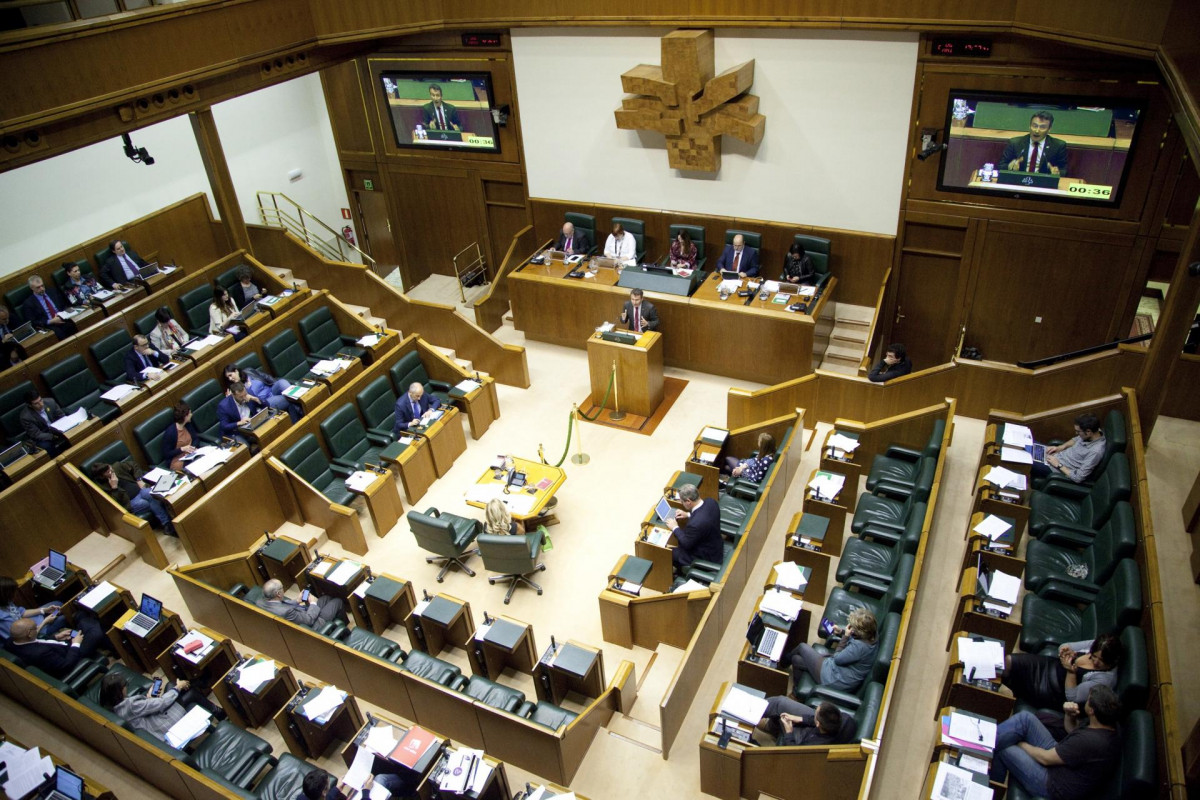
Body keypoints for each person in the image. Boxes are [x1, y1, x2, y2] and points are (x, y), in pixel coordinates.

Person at [989, 684, 1122, 800]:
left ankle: (988, 791)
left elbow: (1045, 759)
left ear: (1092, 710)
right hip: (1061, 762)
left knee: (1006, 749)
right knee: (1025, 718)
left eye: (1088, 700)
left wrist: (1021, 744)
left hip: (1052, 785)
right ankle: (980, 746)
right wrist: (1069, 715)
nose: (1086, 701)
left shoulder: (1091, 741)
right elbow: (1072, 731)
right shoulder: (1104, 723)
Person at [1003, 634, 1120, 714]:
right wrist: (1065, 651)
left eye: (1101, 661)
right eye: (1093, 656)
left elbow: (1073, 697)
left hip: (1053, 691)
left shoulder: (1105, 679)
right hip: (1049, 666)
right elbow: (1065, 646)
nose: (1095, 661)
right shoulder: (1096, 645)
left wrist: (1071, 672)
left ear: (1111, 662)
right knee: (1008, 661)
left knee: (1015, 681)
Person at [100, 674, 224, 740]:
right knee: (186, 692)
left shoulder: (111, 706)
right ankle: (218, 712)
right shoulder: (130, 706)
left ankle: (198, 684)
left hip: (149, 720)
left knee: (171, 685)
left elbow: (139, 711)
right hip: (160, 726)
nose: (126, 687)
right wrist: (178, 687)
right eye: (124, 686)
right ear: (119, 691)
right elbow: (161, 703)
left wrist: (148, 700)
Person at [787, 608, 878, 692]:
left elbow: (837, 658)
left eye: (853, 628)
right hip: (841, 671)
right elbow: (855, 639)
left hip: (836, 679)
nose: (851, 628)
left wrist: (845, 637)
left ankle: (782, 660)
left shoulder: (859, 647)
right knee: (796, 659)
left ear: (860, 632)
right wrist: (841, 632)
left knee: (802, 647)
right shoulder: (871, 635)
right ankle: (796, 693)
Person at [89, 460, 175, 536]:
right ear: (101, 476)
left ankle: (167, 524)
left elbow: (134, 465)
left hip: (140, 490)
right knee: (146, 503)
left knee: (151, 494)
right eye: (108, 472)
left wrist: (139, 479)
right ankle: (168, 523)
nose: (111, 471)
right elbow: (115, 503)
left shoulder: (117, 467)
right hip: (130, 502)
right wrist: (114, 488)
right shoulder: (101, 487)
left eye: (110, 468)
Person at [6, 614, 106, 679]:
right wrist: (76, 644)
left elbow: (38, 642)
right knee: (96, 632)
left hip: (59, 647)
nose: (38, 627)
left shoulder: (12, 641)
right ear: (29, 634)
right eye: (35, 627)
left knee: (82, 619)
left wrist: (55, 637)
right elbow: (66, 665)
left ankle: (85, 619)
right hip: (73, 655)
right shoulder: (40, 654)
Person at [1033, 413, 1106, 483]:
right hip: (1055, 456)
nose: (1076, 434)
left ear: (1088, 432)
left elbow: (1078, 478)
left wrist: (1058, 465)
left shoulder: (1095, 452)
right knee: (1027, 443)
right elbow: (1075, 439)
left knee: (1024, 458)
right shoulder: (1095, 432)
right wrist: (1060, 447)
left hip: (1054, 468)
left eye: (1078, 432)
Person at [664, 483, 722, 569]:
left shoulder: (695, 524)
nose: (681, 502)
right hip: (716, 547)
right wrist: (688, 514)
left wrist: (675, 527)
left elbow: (686, 544)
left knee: (667, 553)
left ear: (688, 501)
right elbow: (704, 513)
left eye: (682, 501)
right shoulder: (711, 501)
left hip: (706, 557)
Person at [755, 698, 854, 747]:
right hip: (818, 731)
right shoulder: (847, 719)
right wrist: (799, 718)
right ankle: (772, 726)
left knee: (783, 714)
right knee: (781, 704)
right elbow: (815, 720)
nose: (815, 710)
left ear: (818, 724)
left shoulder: (814, 746)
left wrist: (789, 732)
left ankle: (753, 714)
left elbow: (794, 754)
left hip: (799, 744)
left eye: (816, 712)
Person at [222, 364, 302, 421]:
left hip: (271, 390)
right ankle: (301, 410)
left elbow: (266, 377)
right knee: (285, 398)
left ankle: (302, 399)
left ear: (236, 371)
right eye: (227, 377)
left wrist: (275, 385)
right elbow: (246, 403)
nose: (229, 379)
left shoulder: (249, 371)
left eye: (230, 375)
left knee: (282, 382)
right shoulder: (235, 388)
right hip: (265, 401)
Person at [1000, 111, 1069, 176]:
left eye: (1042, 127)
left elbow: (1063, 170)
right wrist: (1009, 167)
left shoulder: (1058, 146)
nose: (1037, 131)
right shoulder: (1015, 143)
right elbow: (1001, 166)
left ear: (1049, 129)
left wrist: (1056, 172)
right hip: (1019, 180)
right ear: (1029, 126)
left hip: (1043, 182)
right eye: (1034, 126)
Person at [255, 579, 347, 628]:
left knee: (326, 598)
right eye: (282, 588)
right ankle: (344, 629)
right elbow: (308, 620)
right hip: (314, 623)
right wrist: (313, 604)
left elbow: (279, 604)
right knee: (337, 602)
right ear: (278, 594)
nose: (283, 589)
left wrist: (297, 601)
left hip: (302, 614)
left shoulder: (260, 602)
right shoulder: (287, 612)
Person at [0, 575, 65, 642]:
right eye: (13, 592)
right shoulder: (4, 620)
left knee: (58, 603)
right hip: (33, 633)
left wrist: (44, 610)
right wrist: (45, 622)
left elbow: (22, 613)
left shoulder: (6, 601)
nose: (15, 594)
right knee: (64, 617)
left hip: (28, 622)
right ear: (6, 594)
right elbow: (25, 639)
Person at [298, 767, 410, 800]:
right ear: (323, 792)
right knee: (380, 780)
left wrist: (337, 788)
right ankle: (410, 785)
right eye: (328, 784)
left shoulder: (302, 798)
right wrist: (366, 790)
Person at [21, 275, 77, 340]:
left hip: (63, 319)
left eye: (42, 285)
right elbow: (33, 322)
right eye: (38, 287)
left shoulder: (53, 291)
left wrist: (62, 314)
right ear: (32, 288)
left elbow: (64, 305)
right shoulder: (29, 303)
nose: (42, 289)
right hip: (49, 326)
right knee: (59, 334)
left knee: (75, 326)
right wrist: (50, 321)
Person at [19, 390, 70, 455]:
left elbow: (61, 416)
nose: (41, 404)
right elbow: (36, 434)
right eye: (36, 403)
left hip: (57, 428)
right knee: (47, 446)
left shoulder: (50, 402)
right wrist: (53, 436)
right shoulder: (26, 417)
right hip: (44, 435)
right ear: (30, 405)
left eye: (40, 400)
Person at [161, 401, 201, 471]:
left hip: (190, 455)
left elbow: (196, 439)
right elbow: (167, 454)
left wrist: (192, 448)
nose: (191, 414)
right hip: (177, 461)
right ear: (185, 416)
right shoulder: (170, 433)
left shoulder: (188, 425)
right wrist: (182, 449)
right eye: (190, 413)